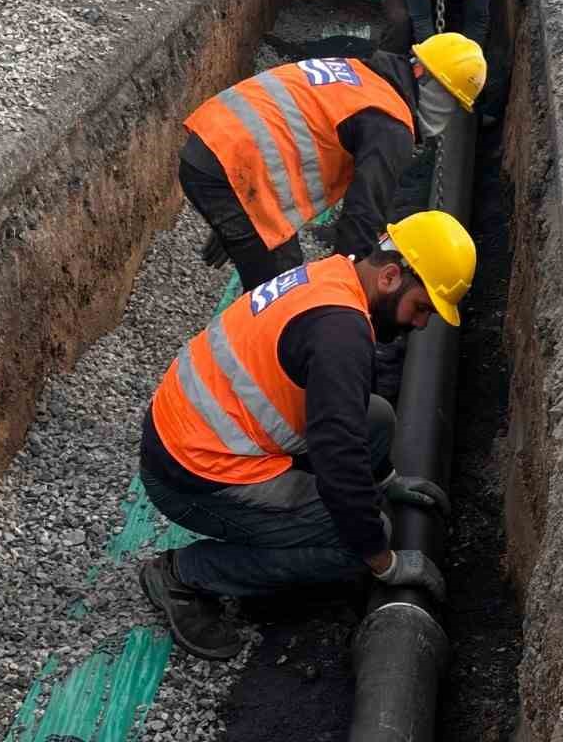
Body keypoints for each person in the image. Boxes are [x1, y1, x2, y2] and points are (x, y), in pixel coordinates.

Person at [136, 210, 476, 659]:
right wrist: (385, 562)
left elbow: (350, 429)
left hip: (201, 433)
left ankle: (362, 504)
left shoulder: (335, 275)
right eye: (422, 308)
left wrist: (387, 483)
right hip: (196, 473)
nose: (421, 324)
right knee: (354, 548)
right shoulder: (340, 334)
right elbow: (338, 461)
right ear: (392, 276)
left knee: (376, 419)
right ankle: (184, 573)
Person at [180, 33, 485, 292]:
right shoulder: (391, 125)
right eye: (450, 102)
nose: (447, 115)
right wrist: (346, 294)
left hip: (212, 144)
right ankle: (255, 351)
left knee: (279, 260)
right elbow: (363, 216)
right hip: (226, 168)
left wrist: (244, 212)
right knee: (281, 289)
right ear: (422, 76)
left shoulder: (360, 74)